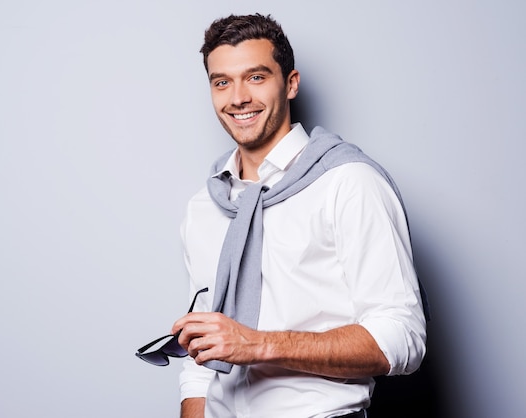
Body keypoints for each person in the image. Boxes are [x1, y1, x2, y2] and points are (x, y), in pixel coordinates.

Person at [171, 13, 427, 418]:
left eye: (256, 77)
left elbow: (402, 337)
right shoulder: (204, 206)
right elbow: (202, 353)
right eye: (222, 82)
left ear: (290, 83)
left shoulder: (349, 182)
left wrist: (257, 344)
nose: (237, 97)